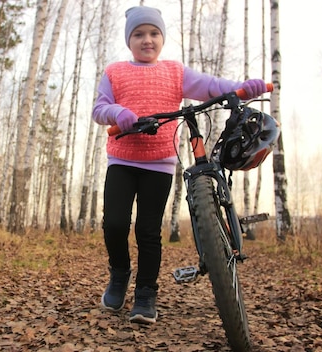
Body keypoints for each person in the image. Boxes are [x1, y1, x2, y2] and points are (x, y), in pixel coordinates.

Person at [91, 5, 268, 324]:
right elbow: (99, 108)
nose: (148, 40)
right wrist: (118, 113)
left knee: (148, 230)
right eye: (139, 34)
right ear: (129, 40)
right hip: (122, 159)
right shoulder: (115, 72)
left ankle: (145, 293)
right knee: (115, 224)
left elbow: (212, 86)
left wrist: (243, 86)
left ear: (162, 38)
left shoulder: (174, 71)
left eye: (154, 33)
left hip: (159, 165)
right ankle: (119, 274)